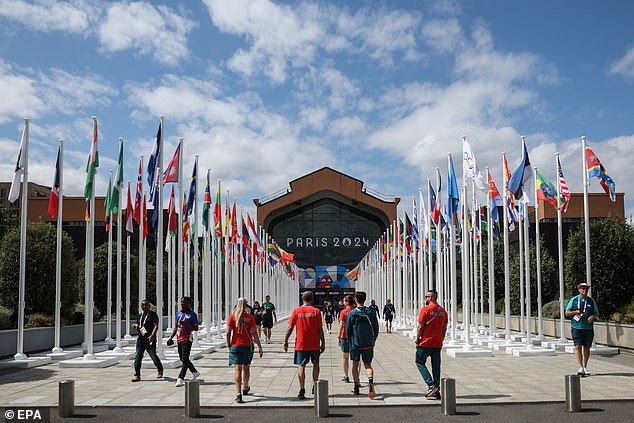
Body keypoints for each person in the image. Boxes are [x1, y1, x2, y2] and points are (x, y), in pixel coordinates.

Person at [283, 291, 325, 400]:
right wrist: (323, 342)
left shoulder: (296, 311)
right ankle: (315, 385)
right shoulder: (316, 311)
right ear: (312, 299)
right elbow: (320, 328)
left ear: (302, 299)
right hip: (314, 343)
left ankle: (302, 389)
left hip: (301, 343)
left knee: (301, 366)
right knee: (316, 364)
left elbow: (290, 327)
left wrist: (286, 340)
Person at [227, 298, 263, 403]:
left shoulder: (232, 316)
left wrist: (229, 344)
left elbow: (228, 332)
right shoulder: (250, 317)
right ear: (246, 306)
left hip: (235, 345)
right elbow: (254, 334)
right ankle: (245, 387)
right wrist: (260, 347)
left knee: (237, 369)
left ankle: (238, 394)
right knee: (246, 367)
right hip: (246, 345)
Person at [415, 289, 448, 400]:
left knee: (419, 362)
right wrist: (441, 339)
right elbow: (444, 328)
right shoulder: (443, 311)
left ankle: (431, 385)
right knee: (436, 367)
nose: (425, 299)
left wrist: (417, 338)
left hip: (425, 342)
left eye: (426, 297)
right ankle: (436, 389)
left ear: (431, 298)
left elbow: (420, 326)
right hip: (437, 343)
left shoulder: (425, 310)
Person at [346, 291, 379, 398]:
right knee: (368, 365)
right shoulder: (371, 312)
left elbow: (348, 330)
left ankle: (356, 386)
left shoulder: (351, 314)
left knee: (355, 364)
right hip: (368, 343)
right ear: (365, 299)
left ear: (355, 299)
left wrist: (349, 341)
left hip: (355, 343)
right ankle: (370, 381)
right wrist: (373, 340)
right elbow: (376, 328)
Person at [565, 282, 599, 376]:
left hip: (588, 328)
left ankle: (585, 366)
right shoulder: (574, 300)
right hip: (576, 327)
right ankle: (580, 367)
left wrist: (592, 316)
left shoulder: (591, 301)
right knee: (578, 346)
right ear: (579, 289)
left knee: (586, 347)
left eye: (586, 289)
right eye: (582, 289)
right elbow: (567, 313)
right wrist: (575, 312)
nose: (584, 291)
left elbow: (596, 313)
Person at [168, 296, 200, 387]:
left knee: (185, 358)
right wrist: (171, 337)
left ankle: (180, 378)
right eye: (181, 302)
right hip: (179, 338)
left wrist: (186, 324)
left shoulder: (192, 315)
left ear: (189, 303)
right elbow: (176, 327)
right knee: (182, 358)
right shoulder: (178, 314)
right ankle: (194, 371)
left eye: (184, 302)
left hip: (187, 337)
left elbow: (196, 328)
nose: (182, 304)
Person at [131, 300, 164, 382]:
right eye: (143, 305)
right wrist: (136, 326)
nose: (144, 307)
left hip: (150, 339)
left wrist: (152, 336)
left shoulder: (153, 315)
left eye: (146, 305)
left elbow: (156, 326)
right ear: (141, 307)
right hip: (141, 339)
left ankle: (160, 369)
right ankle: (137, 374)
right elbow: (141, 325)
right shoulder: (140, 315)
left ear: (149, 306)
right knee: (138, 356)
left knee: (153, 355)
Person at [337, 295, 355, 383]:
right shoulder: (356, 311)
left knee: (345, 357)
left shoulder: (343, 312)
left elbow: (341, 325)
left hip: (345, 336)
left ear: (347, 302)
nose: (343, 303)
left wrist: (338, 336)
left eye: (344, 301)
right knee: (356, 358)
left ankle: (346, 376)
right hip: (355, 336)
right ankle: (357, 377)